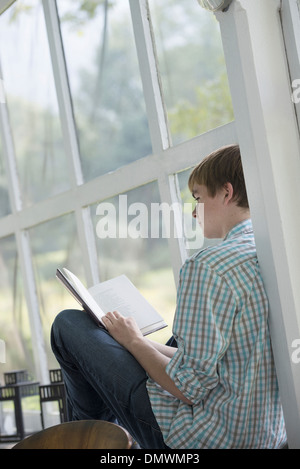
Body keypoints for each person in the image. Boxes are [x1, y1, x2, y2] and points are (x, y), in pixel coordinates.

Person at [51, 144, 287, 449]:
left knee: (67, 324)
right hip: (265, 436)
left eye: (199, 198)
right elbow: (213, 365)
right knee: (171, 343)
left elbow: (187, 387)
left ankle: (88, 442)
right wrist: (132, 338)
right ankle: (96, 439)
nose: (193, 210)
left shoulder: (208, 266)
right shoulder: (276, 255)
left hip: (201, 439)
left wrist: (134, 342)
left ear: (226, 193)